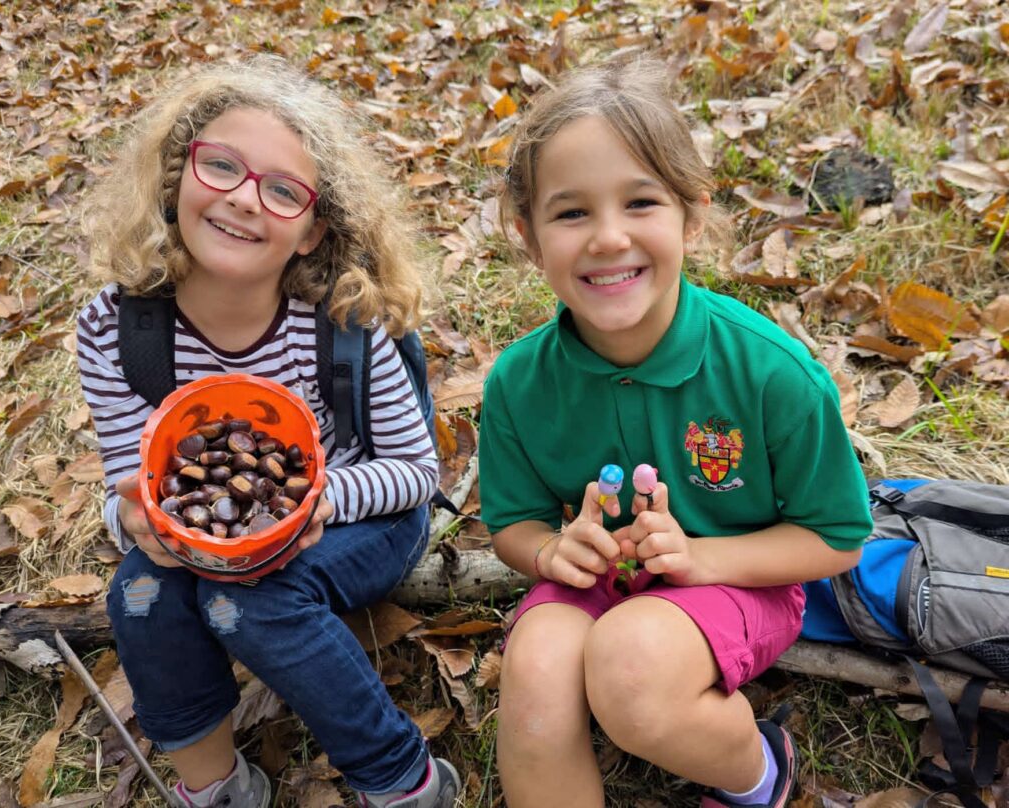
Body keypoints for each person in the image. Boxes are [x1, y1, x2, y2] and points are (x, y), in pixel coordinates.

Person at [478, 58, 872, 808]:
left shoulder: (772, 373)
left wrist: (700, 556)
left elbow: (838, 537)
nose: (607, 238)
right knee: (532, 672)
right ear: (529, 236)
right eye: (570, 213)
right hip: (601, 582)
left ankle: (762, 775)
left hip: (738, 577)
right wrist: (551, 549)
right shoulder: (519, 383)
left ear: (692, 214)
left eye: (641, 202)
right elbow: (513, 524)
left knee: (629, 669)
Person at [76, 55, 460, 808]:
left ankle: (400, 777)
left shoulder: (344, 323)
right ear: (177, 177)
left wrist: (314, 500)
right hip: (204, 535)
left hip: (361, 510)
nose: (246, 201)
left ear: (314, 229)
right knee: (144, 598)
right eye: (221, 167)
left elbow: (416, 472)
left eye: (282, 190)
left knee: (249, 600)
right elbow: (136, 478)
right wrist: (141, 522)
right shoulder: (117, 329)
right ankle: (215, 785)